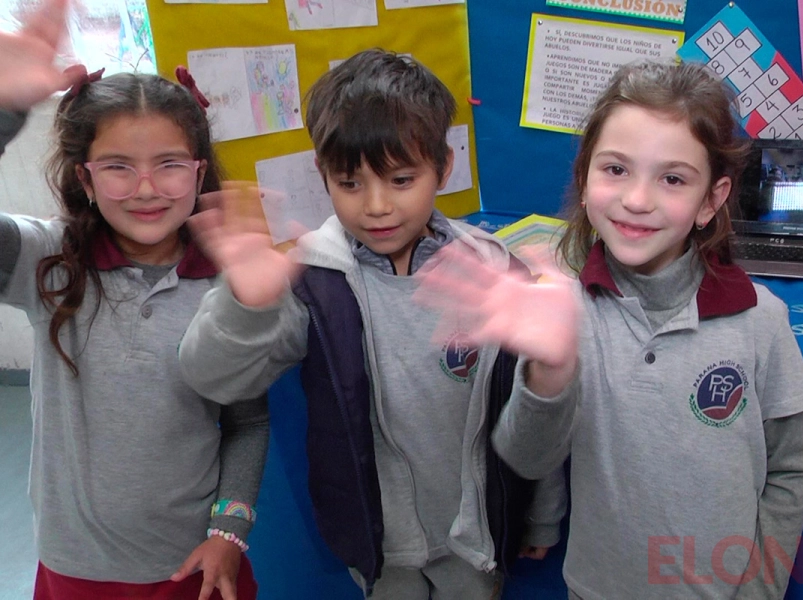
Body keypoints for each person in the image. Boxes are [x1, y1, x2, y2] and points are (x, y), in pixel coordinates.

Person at [415, 60, 803, 600]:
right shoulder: (563, 310)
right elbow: (530, 459)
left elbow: (788, 471)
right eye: (616, 169)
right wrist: (551, 370)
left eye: (672, 178)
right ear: (584, 179)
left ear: (711, 200)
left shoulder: (760, 320)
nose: (637, 200)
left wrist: (759, 589)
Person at [178, 48, 566, 599]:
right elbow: (213, 380)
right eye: (351, 183)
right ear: (323, 175)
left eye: (401, 179)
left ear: (444, 166)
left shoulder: (494, 274)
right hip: (378, 545)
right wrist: (245, 303)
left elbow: (530, 405)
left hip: (478, 539)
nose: (377, 206)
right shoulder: (312, 280)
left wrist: (542, 514)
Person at [0, 1, 268, 598]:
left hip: (192, 566)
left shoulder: (231, 280)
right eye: (118, 167)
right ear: (86, 179)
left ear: (199, 172)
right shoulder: (50, 261)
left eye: (169, 165)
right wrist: (4, 112)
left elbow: (247, 420)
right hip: (75, 567)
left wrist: (230, 529)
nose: (146, 189)